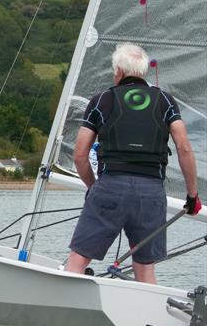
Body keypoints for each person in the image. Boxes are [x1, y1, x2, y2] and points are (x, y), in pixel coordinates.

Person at [64, 43, 201, 284]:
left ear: (118, 70)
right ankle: (146, 319)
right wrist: (192, 195)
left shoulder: (101, 100)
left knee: (77, 261)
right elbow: (184, 147)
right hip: (151, 193)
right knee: (145, 268)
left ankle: (63, 313)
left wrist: (93, 186)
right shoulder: (165, 101)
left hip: (110, 187)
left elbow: (80, 155)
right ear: (143, 72)